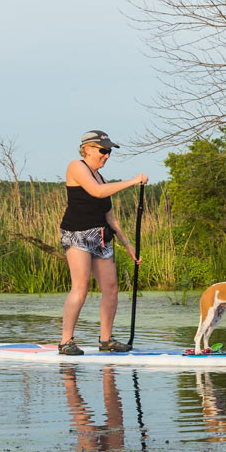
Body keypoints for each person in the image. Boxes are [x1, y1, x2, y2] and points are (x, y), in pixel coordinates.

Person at [58, 130, 148, 355]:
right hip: (77, 234)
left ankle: (106, 340)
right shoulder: (76, 167)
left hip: (101, 236)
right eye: (103, 150)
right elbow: (96, 192)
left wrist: (129, 247)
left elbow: (111, 219)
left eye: (109, 152)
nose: (107, 156)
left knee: (111, 289)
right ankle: (66, 341)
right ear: (87, 149)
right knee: (81, 287)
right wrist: (132, 181)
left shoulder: (103, 178)